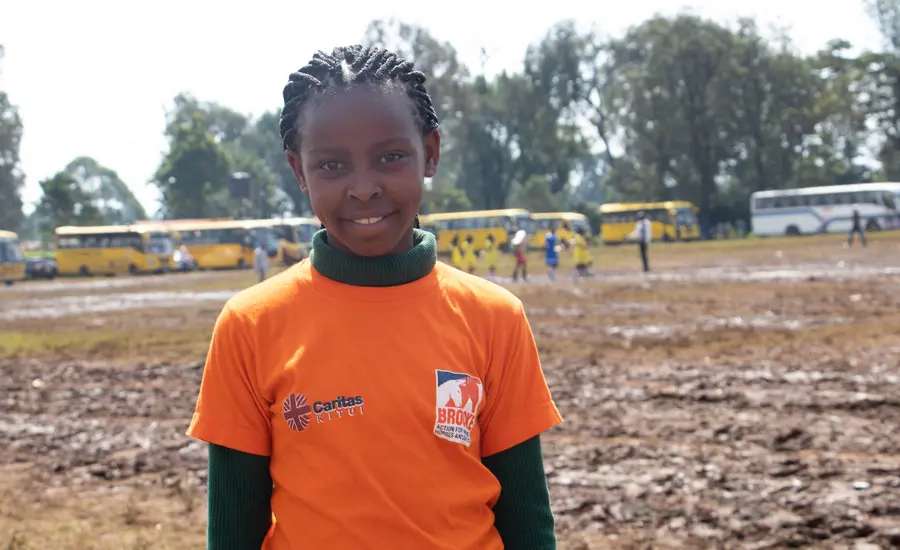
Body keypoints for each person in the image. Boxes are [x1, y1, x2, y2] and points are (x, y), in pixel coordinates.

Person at [186, 45, 562, 550]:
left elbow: (528, 519)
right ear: (299, 171)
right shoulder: (251, 325)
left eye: (390, 157)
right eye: (333, 165)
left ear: (429, 152)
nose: (363, 188)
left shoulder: (493, 317)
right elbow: (233, 530)